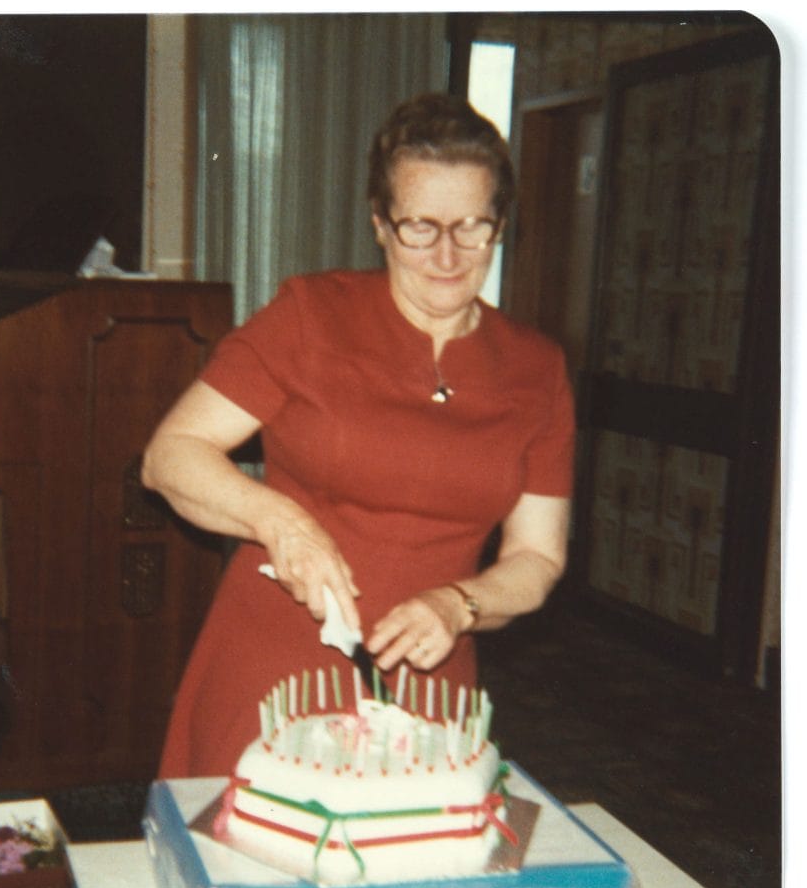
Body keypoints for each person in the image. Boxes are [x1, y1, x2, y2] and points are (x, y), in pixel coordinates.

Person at [142, 92, 575, 777]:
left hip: (430, 673)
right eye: (418, 227)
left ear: (499, 227)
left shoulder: (537, 368)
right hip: (277, 668)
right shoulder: (312, 314)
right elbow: (170, 456)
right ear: (379, 225)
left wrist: (459, 603)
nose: (446, 254)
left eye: (471, 226)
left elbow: (537, 560)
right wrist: (283, 523)